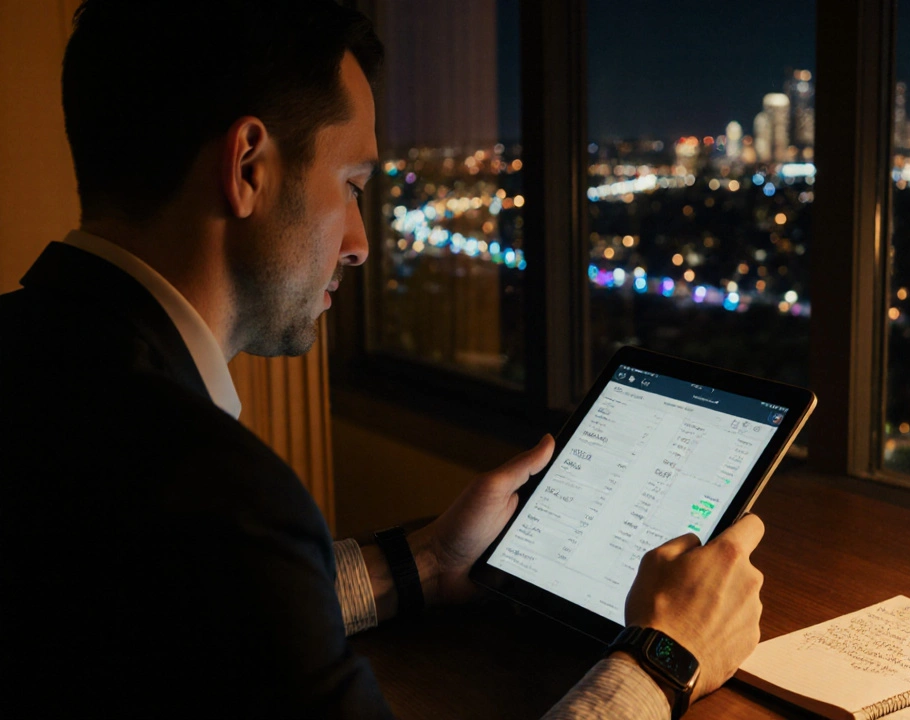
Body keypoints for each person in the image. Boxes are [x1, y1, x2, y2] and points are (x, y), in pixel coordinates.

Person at [0, 1, 766, 718]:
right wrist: (662, 659)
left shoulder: (37, 360)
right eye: (353, 185)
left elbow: (181, 615)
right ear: (247, 168)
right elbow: (218, 577)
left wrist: (429, 561)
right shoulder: (215, 498)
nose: (361, 243)